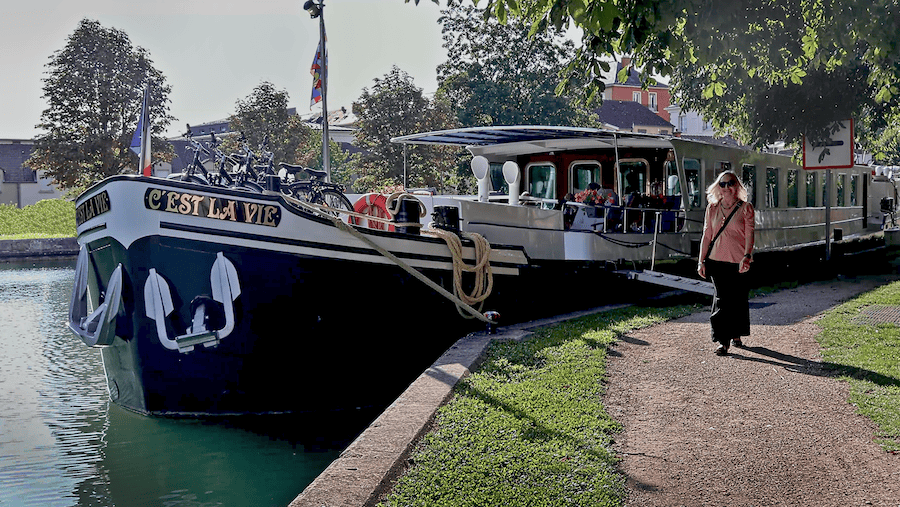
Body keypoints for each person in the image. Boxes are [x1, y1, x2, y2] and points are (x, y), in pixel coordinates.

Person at [697, 170, 755, 356]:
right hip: (716, 260)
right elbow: (706, 236)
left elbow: (749, 235)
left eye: (730, 183)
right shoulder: (712, 208)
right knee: (722, 298)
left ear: (737, 186)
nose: (727, 187)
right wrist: (701, 261)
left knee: (737, 298)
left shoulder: (746, 208)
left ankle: (736, 333)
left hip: (738, 262)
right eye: (722, 184)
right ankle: (723, 341)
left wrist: (747, 256)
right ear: (718, 187)